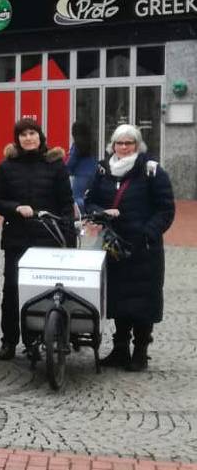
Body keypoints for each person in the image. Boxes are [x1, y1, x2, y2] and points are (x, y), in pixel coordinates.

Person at [84, 125, 174, 372]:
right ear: (112, 145)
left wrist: (148, 233)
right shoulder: (102, 170)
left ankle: (141, 353)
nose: (124, 147)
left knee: (143, 300)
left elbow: (165, 209)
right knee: (119, 298)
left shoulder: (151, 171)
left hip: (143, 248)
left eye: (129, 143)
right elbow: (89, 200)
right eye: (119, 143)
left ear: (137, 145)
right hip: (113, 246)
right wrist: (99, 213)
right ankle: (120, 349)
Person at [0, 117, 74, 361]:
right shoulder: (7, 166)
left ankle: (37, 339)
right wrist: (16, 207)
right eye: (23, 134)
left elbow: (66, 203)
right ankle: (9, 341)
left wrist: (67, 234)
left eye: (32, 133)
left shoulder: (56, 165)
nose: (28, 138)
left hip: (47, 240)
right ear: (17, 139)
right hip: (17, 239)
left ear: (40, 137)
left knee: (43, 292)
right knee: (12, 291)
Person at [67, 122, 98, 213]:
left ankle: (81, 217)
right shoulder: (91, 142)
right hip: (92, 172)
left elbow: (72, 160)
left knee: (77, 198)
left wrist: (66, 170)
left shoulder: (77, 144)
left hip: (80, 174)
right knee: (87, 197)